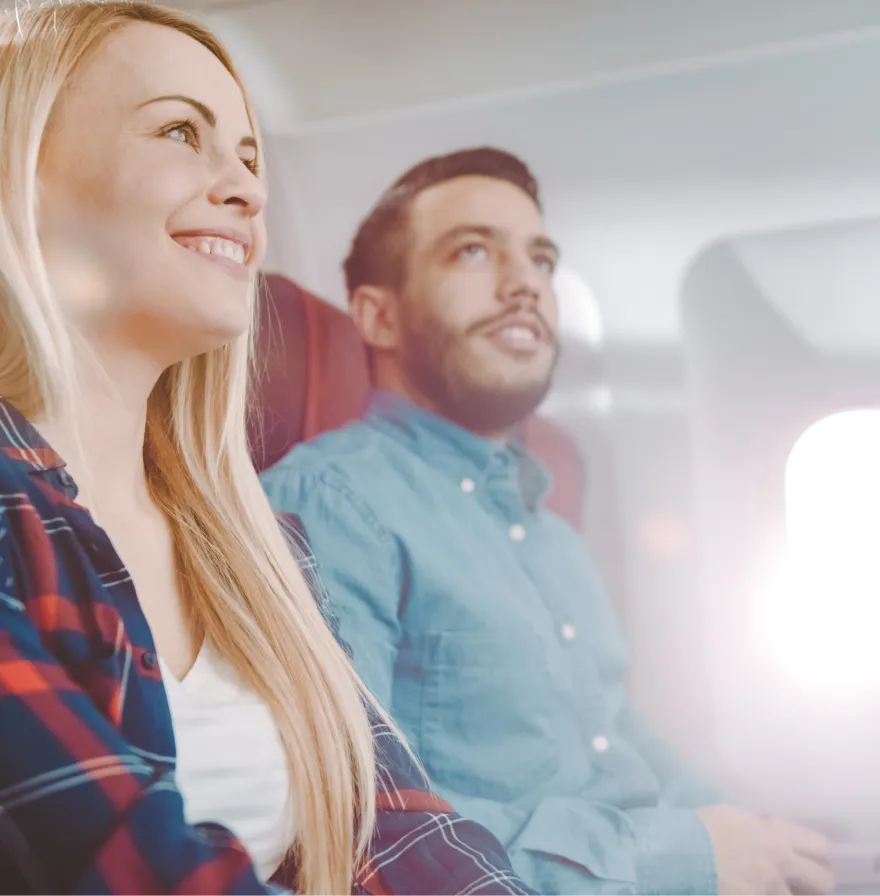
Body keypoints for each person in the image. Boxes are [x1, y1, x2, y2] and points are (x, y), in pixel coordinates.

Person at [0, 7, 540, 896]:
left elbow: (399, 827)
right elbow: (117, 867)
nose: (249, 192)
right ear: (25, 179)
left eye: (252, 160)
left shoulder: (266, 548)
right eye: (182, 132)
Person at [262, 148, 836, 896]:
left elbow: (616, 739)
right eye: (473, 251)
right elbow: (356, 825)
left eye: (541, 259)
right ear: (379, 315)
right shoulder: (329, 503)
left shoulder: (553, 535)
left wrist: (744, 832)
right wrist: (684, 856)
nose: (524, 283)